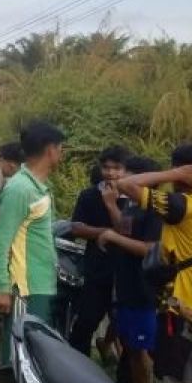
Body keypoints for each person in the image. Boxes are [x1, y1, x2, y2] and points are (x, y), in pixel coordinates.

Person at [114, 144, 192, 381]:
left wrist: (174, 175)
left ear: (185, 170)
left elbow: (126, 185)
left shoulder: (180, 206)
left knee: (170, 378)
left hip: (176, 311)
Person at [0, 121, 66, 365]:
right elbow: (0, 241)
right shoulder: (20, 188)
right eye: (61, 147)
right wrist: (1, 287)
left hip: (40, 284)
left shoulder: (38, 187)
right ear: (51, 150)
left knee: (33, 357)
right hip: (24, 287)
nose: (62, 153)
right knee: (17, 358)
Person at [97, 155, 164, 383]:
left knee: (140, 347)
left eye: (129, 177)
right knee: (131, 346)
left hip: (143, 289)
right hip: (127, 287)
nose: (122, 181)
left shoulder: (155, 212)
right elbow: (123, 231)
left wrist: (112, 236)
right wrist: (112, 206)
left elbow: (148, 248)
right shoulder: (133, 206)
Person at [67, 146, 130, 357]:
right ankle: (78, 368)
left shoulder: (135, 197)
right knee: (85, 323)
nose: (111, 172)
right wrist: (105, 232)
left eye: (117, 168)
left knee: (126, 327)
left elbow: (129, 234)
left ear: (126, 170)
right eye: (106, 167)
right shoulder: (89, 195)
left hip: (127, 273)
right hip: (97, 269)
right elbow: (76, 227)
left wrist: (112, 205)